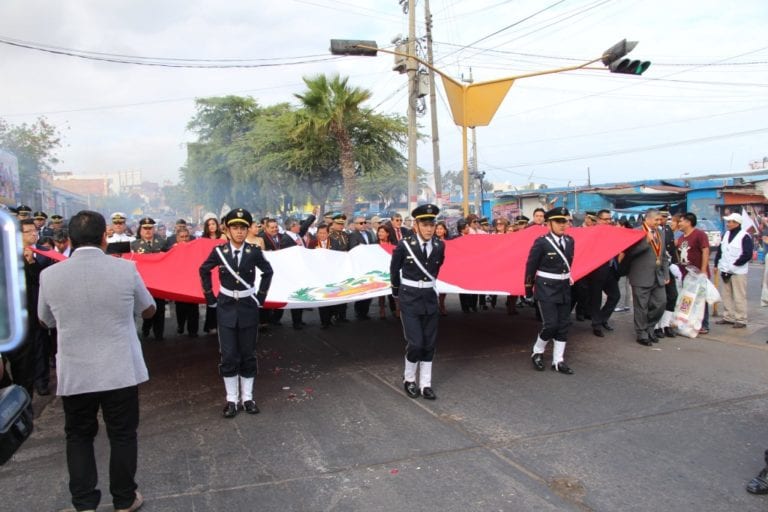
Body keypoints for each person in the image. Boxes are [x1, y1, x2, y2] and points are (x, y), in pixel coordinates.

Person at [38, 210, 155, 512]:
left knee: (78, 437)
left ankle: (85, 503)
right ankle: (125, 499)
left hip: (76, 372)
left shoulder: (49, 275)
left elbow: (44, 320)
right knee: (123, 435)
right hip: (119, 370)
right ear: (104, 237)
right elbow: (149, 309)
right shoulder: (125, 270)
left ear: (70, 240)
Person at [199, 208, 274, 418]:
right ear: (227, 230)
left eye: (243, 227)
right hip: (226, 307)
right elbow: (204, 270)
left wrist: (260, 297)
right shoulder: (219, 252)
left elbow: (268, 272)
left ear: (248, 228)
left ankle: (248, 398)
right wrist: (210, 297)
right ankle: (231, 400)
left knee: (248, 354)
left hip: (248, 307)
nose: (239, 232)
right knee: (229, 355)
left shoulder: (254, 251)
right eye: (235, 227)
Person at [390, 204, 445, 399]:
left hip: (429, 298)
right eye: (425, 224)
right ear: (416, 224)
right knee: (416, 343)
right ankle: (409, 379)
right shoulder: (405, 245)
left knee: (429, 344)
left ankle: (425, 384)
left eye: (432, 224)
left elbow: (435, 271)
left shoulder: (439, 246)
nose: (429, 228)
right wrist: (397, 293)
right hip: (410, 299)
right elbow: (394, 270)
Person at [525, 207, 575, 375]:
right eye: (558, 222)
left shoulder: (570, 241)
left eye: (565, 221)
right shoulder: (541, 242)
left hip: (564, 288)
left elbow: (567, 264)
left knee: (563, 325)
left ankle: (558, 361)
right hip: (546, 288)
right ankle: (537, 352)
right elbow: (531, 267)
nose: (563, 225)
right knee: (551, 324)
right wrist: (528, 289)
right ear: (549, 224)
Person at [626, 208, 670, 346]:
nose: (659, 222)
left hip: (658, 276)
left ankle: (649, 327)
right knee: (641, 307)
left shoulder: (660, 233)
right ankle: (641, 333)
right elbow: (629, 254)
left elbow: (663, 256)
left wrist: (666, 274)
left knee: (661, 303)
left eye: (660, 220)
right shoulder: (637, 232)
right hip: (640, 275)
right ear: (648, 219)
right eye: (656, 220)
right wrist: (645, 242)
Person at [714, 212, 753, 328]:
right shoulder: (725, 234)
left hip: (738, 271)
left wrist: (735, 265)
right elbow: (720, 251)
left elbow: (747, 254)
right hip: (725, 269)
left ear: (737, 223)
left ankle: (741, 319)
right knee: (726, 295)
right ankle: (728, 316)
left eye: (730, 222)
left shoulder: (744, 236)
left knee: (739, 296)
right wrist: (716, 264)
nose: (728, 224)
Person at [676, 212, 711, 334]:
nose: (679, 224)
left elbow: (706, 251)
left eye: (681, 221)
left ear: (688, 222)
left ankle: (704, 324)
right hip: (685, 274)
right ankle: (689, 322)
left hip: (698, 273)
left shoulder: (699, 235)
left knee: (701, 299)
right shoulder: (681, 237)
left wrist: (703, 270)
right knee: (687, 299)